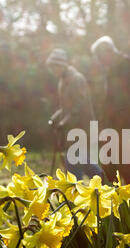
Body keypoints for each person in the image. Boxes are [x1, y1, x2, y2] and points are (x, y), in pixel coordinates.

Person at [46, 48, 104, 181]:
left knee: (75, 160)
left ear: (62, 65)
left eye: (55, 66)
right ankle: (78, 191)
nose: (53, 70)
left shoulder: (76, 79)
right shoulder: (62, 81)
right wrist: (55, 118)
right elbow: (65, 107)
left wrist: (64, 122)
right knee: (76, 161)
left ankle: (105, 183)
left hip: (83, 128)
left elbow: (80, 107)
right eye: (52, 67)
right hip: (71, 129)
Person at [91, 36, 130, 187]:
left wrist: (128, 120)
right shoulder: (111, 68)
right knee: (108, 164)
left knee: (125, 164)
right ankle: (114, 199)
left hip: (122, 120)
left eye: (101, 57)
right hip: (110, 122)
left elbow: (127, 94)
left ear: (108, 51)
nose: (101, 61)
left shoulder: (124, 63)